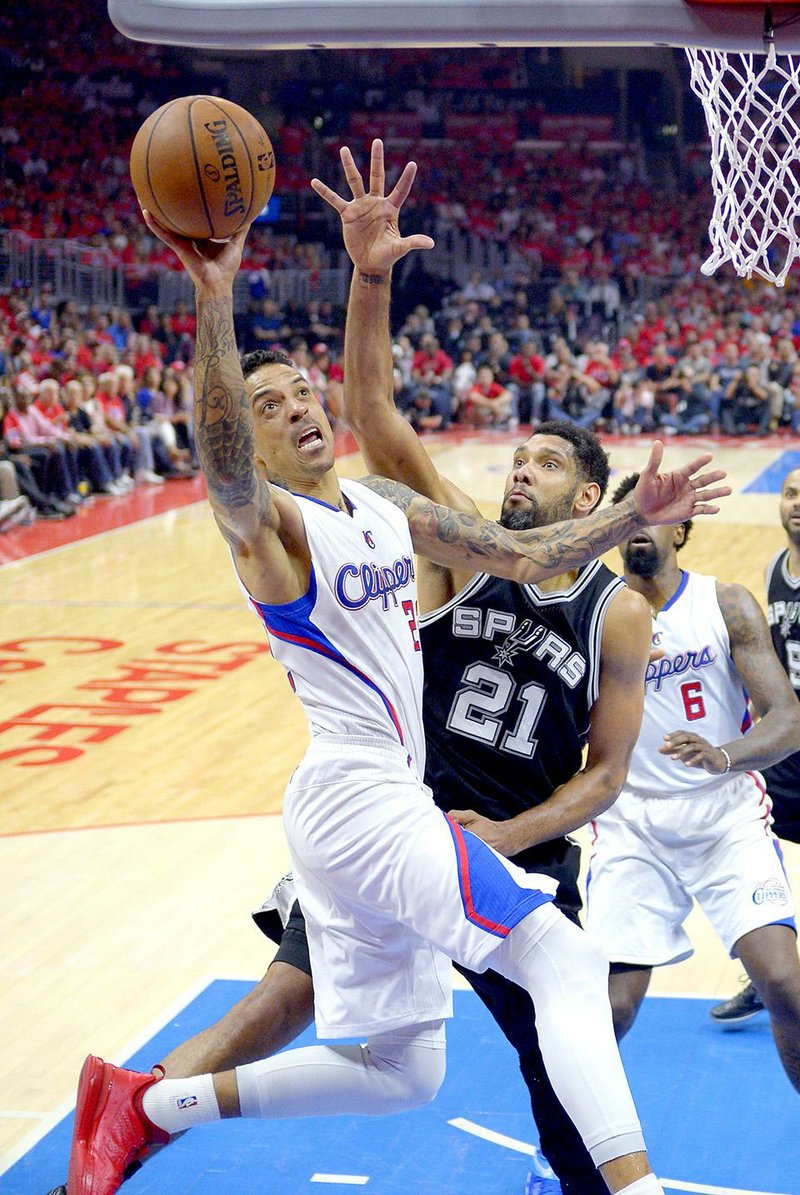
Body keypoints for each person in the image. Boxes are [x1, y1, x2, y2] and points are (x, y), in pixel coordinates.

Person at [64, 143, 725, 1195]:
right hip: (373, 801)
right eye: (268, 405)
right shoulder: (271, 527)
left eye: (299, 393)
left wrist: (625, 517)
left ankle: (148, 1104)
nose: (296, 409)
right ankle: (632, 1190)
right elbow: (230, 475)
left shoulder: (392, 513)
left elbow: (528, 559)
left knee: (400, 1071)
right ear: (260, 444)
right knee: (553, 962)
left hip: (429, 824)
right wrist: (216, 293)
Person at [585, 471, 800, 1097]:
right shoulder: (594, 615)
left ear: (680, 529)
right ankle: (560, 1148)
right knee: (612, 1008)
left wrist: (724, 755)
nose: (640, 529)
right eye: (629, 516)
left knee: (784, 983)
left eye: (653, 517)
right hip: (632, 824)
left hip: (725, 817)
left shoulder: (725, 603)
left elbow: (788, 720)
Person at [711, 467, 800, 1024]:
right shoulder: (774, 568)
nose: (797, 504)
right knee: (750, 836)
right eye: (791, 493)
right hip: (792, 740)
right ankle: (769, 971)